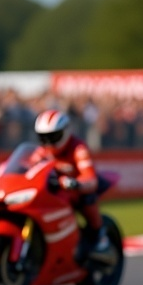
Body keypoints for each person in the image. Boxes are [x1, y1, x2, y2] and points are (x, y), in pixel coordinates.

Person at [32, 109, 109, 254]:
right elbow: (30, 167)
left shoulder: (78, 149)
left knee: (88, 199)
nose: (48, 142)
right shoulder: (41, 151)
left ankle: (99, 234)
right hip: (55, 191)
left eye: (53, 136)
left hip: (75, 190)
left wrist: (75, 184)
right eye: (43, 137)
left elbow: (90, 178)